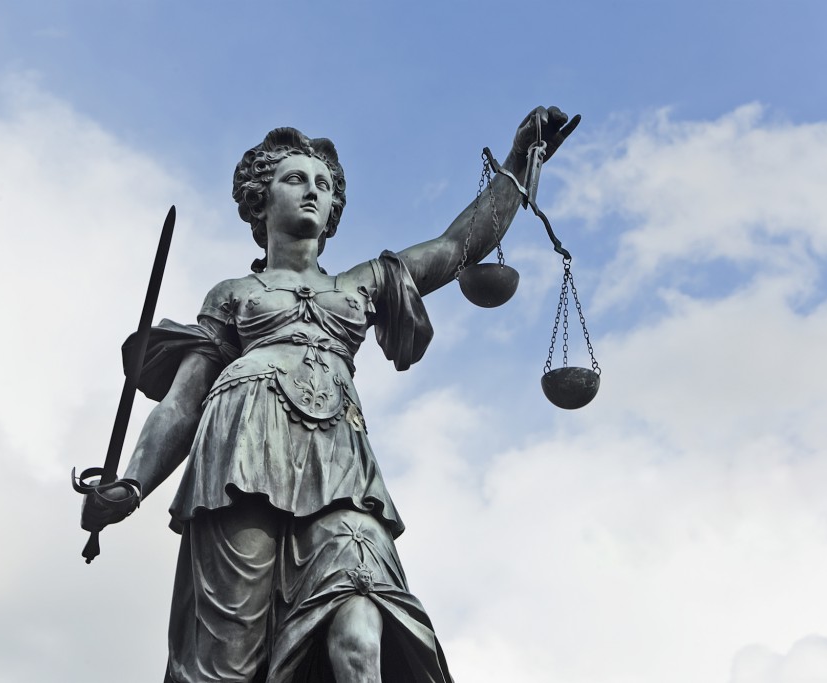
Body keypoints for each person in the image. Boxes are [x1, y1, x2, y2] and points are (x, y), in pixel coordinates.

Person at [80, 106, 580, 683]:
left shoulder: (360, 285)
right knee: (228, 661)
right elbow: (181, 403)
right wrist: (133, 484)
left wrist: (521, 160)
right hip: (242, 457)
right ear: (259, 198)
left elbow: (460, 244)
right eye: (295, 179)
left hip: (341, 467)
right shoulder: (234, 293)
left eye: (323, 183)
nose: (312, 191)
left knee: (363, 618)